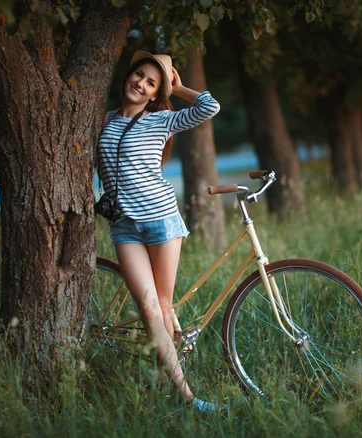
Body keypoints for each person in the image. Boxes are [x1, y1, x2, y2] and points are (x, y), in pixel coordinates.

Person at [96, 51, 222, 414]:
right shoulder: (102, 121)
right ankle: (187, 396)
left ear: (155, 94)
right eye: (139, 75)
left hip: (161, 221)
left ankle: (177, 392)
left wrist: (179, 88)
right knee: (149, 309)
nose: (141, 83)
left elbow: (209, 107)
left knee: (162, 307)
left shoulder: (161, 119)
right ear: (128, 76)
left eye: (151, 83)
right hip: (124, 227)